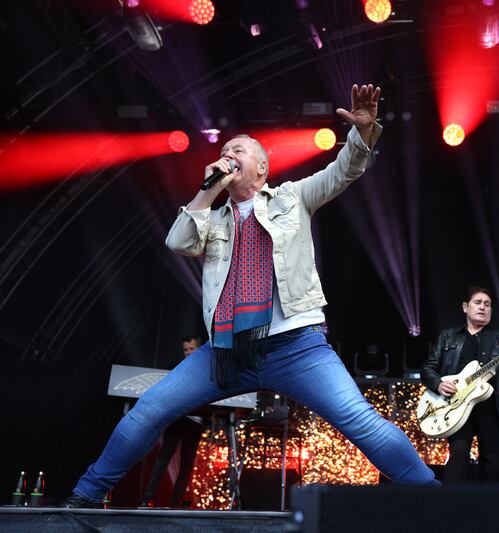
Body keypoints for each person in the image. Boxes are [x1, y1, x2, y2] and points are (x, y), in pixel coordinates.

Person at [62, 84, 437, 508]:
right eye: (224, 149)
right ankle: (87, 494)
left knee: (361, 424)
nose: (229, 154)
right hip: (224, 351)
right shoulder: (213, 217)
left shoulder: (293, 197)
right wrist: (209, 187)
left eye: (238, 150)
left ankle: (436, 501)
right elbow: (179, 241)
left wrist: (362, 132)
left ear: (262, 168)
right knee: (149, 409)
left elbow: (344, 171)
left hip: (296, 346)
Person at [421, 286, 499, 483]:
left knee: (494, 465)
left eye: (487, 304)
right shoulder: (448, 336)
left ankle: (490, 509)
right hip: (456, 408)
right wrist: (438, 384)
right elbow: (428, 369)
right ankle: (452, 506)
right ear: (465, 307)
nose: (483, 307)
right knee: (458, 458)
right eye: (478, 303)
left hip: (492, 408)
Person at [139, 336, 205, 508]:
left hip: (195, 422)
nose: (189, 353)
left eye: (192, 349)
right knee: (163, 458)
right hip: (176, 419)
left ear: (199, 349)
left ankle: (175, 504)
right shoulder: (174, 367)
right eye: (186, 350)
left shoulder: (207, 368)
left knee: (187, 463)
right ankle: (147, 499)